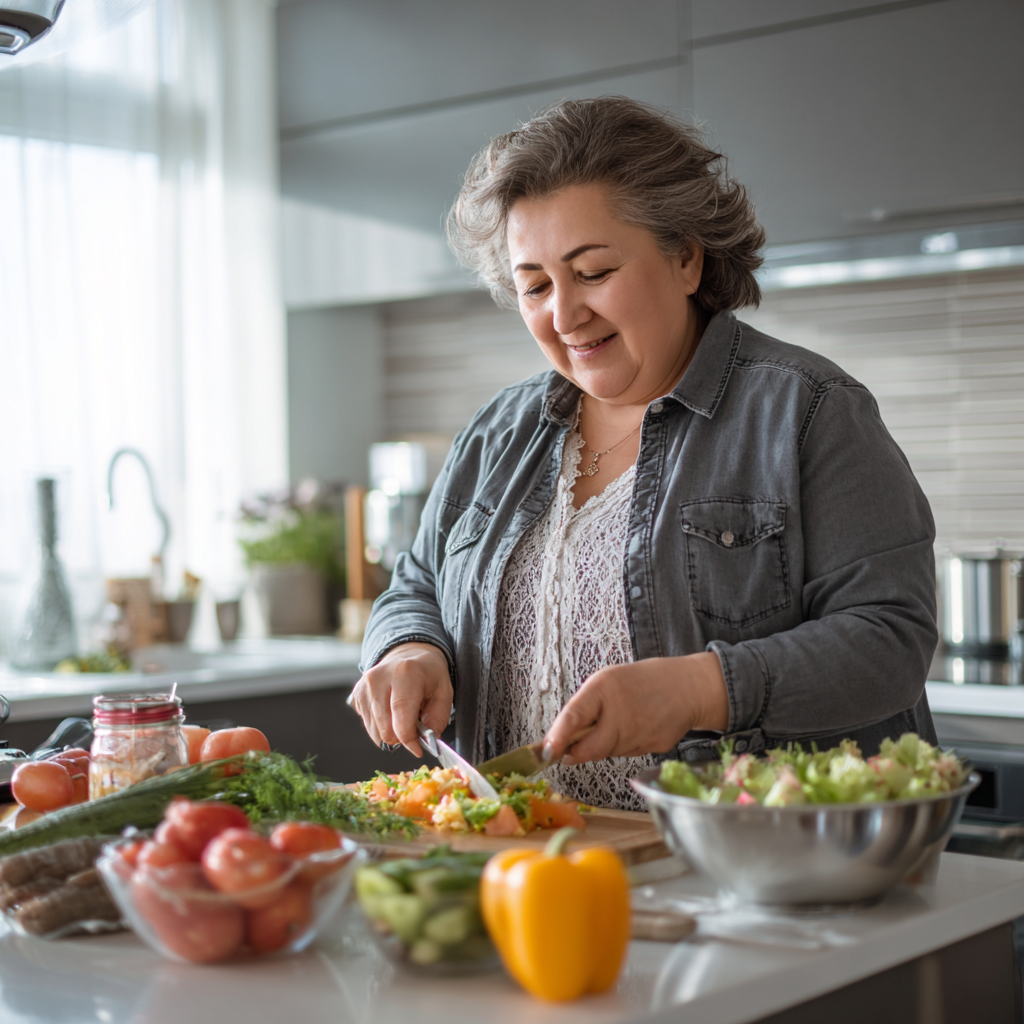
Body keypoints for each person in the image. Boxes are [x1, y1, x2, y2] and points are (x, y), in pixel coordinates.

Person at [349, 96, 938, 810]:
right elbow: (417, 582)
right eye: (534, 285)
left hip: (739, 873)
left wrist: (702, 689)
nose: (563, 315)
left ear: (685, 257)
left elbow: (889, 642)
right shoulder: (497, 433)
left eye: (593, 272)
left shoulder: (807, 409)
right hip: (524, 872)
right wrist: (408, 648)